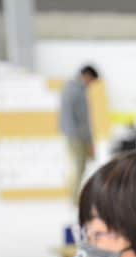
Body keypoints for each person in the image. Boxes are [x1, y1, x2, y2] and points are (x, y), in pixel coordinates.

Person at [60, 65, 99, 201]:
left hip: (77, 135)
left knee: (80, 167)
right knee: (78, 167)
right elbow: (73, 117)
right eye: (91, 81)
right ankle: (74, 199)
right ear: (86, 76)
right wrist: (84, 139)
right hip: (76, 136)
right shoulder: (74, 90)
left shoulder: (75, 89)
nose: (91, 84)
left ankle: (75, 197)